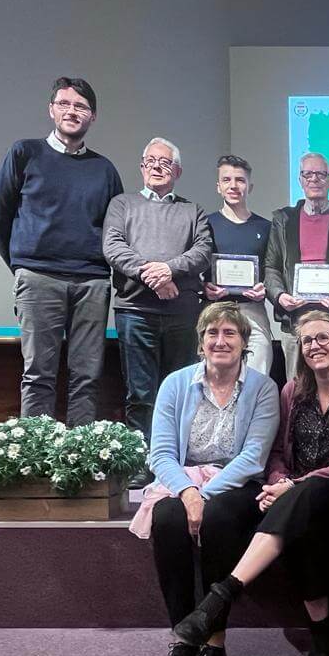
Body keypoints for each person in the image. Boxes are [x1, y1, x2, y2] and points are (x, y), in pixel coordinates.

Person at [170, 311, 329, 656]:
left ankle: (224, 592)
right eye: (307, 340)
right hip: (294, 496)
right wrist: (278, 482)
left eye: (324, 337)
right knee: (301, 528)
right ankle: (321, 633)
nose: (315, 346)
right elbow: (275, 453)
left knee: (307, 496)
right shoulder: (292, 391)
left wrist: (294, 485)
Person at [138, 302, 280, 656]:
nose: (220, 341)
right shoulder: (175, 383)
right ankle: (182, 640)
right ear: (200, 343)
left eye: (230, 333)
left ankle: (214, 643)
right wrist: (187, 492)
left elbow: (253, 458)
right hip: (182, 480)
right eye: (212, 333)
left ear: (244, 342)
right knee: (167, 519)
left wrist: (203, 495)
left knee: (219, 518)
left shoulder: (263, 388)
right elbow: (161, 453)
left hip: (236, 483)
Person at [0, 77, 123, 427]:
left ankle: (79, 452)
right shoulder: (24, 153)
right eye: (64, 104)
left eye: (81, 106)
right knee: (38, 374)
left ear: (93, 116)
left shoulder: (104, 169)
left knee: (87, 375)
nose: (72, 111)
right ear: (51, 110)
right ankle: (37, 454)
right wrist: (22, 265)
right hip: (38, 277)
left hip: (91, 282)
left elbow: (116, 232)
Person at [103, 137, 213, 488]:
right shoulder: (122, 204)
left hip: (182, 314)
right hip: (135, 311)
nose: (156, 167)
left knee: (181, 392)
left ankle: (174, 461)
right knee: (140, 393)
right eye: (150, 160)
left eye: (165, 162)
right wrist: (153, 276)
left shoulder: (192, 210)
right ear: (141, 166)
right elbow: (113, 247)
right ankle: (141, 462)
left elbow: (203, 251)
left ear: (177, 171)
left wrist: (168, 270)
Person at [264, 152, 329, 379]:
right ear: (300, 180)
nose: (314, 179)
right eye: (308, 174)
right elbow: (271, 267)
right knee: (298, 388)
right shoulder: (283, 220)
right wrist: (280, 296)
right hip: (295, 320)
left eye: (321, 174)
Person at [203, 155, 274, 376]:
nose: (233, 185)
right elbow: (196, 267)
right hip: (215, 310)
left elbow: (274, 270)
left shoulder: (266, 227)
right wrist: (204, 288)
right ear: (218, 186)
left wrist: (265, 288)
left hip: (253, 311)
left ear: (249, 187)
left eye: (240, 180)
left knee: (256, 378)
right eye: (226, 180)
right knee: (216, 380)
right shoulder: (205, 224)